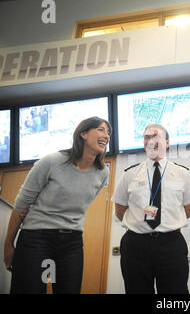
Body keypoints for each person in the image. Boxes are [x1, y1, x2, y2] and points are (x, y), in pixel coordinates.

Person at [3, 116, 111, 294]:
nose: (106, 135)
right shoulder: (52, 161)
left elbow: (84, 203)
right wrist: (8, 245)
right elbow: (21, 205)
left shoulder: (102, 172)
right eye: (101, 129)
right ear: (83, 133)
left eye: (108, 132)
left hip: (71, 243)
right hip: (37, 239)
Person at [112, 123, 190, 294]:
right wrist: (139, 226)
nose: (150, 141)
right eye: (146, 137)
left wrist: (167, 223)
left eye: (155, 136)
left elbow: (189, 210)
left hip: (171, 244)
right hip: (135, 246)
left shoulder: (182, 173)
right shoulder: (129, 174)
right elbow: (120, 210)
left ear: (167, 142)